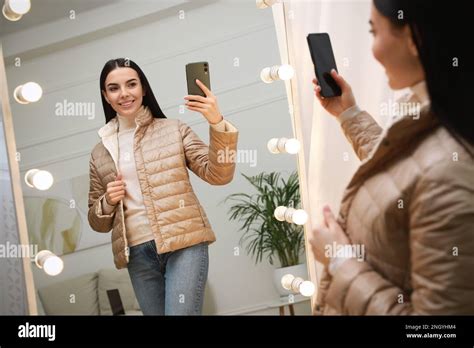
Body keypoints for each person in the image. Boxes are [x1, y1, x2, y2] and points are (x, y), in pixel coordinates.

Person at [309, 0, 474, 314]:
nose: (372, 48)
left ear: (413, 38)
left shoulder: (450, 172)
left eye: (374, 31)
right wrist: (349, 114)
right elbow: (406, 169)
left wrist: (340, 261)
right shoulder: (441, 116)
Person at [87, 58, 238, 315]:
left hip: (184, 245)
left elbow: (218, 175)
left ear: (143, 88)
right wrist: (108, 201)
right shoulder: (99, 153)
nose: (124, 93)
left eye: (131, 84)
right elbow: (97, 222)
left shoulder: (173, 130)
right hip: (137, 256)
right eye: (114, 88)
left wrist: (217, 122)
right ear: (106, 95)